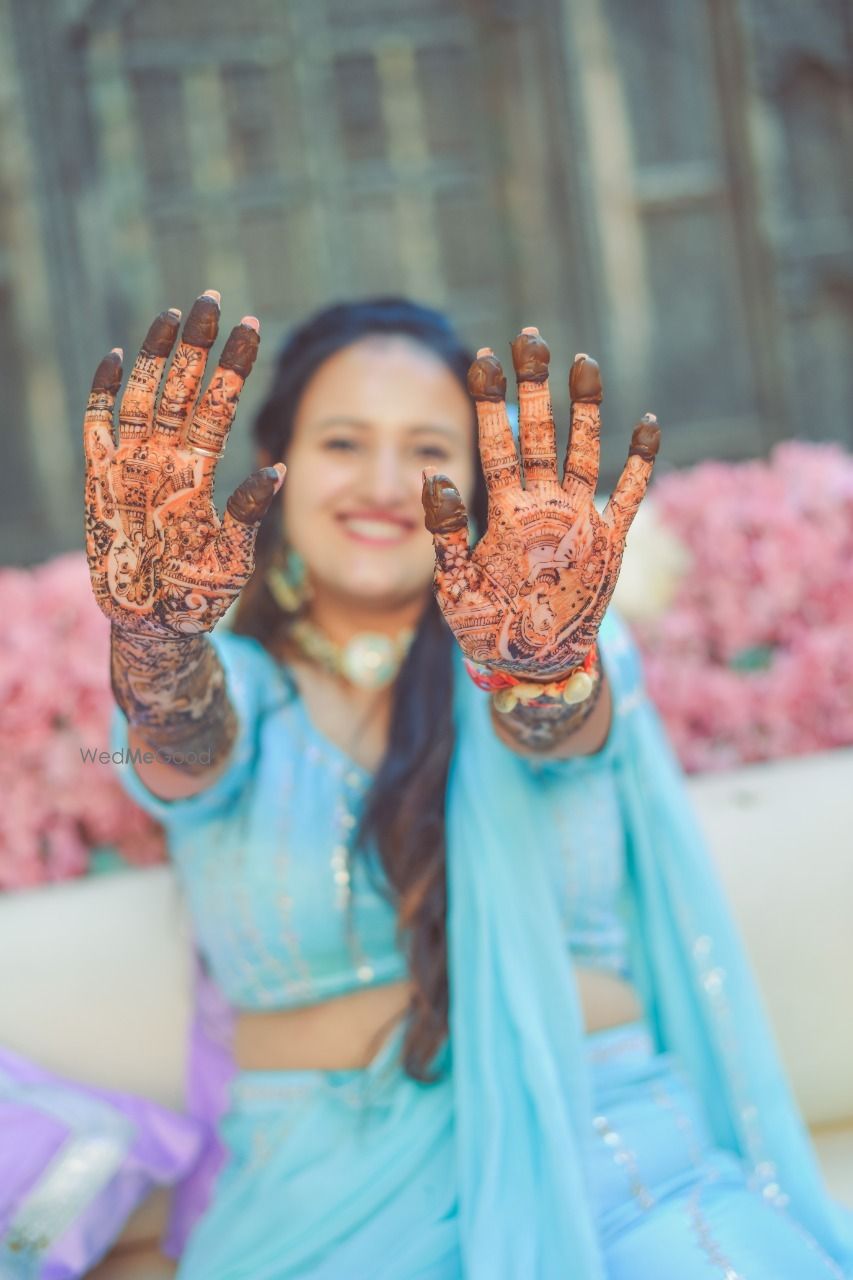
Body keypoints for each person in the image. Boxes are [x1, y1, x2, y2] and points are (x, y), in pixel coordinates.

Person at [83, 291, 853, 1278]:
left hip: (609, 1148)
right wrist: (156, 649)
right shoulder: (218, 683)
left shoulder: (556, 647)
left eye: (431, 451)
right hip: (327, 1198)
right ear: (272, 464)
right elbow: (185, 744)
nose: (385, 483)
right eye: (344, 443)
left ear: (481, 485)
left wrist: (534, 664)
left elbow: (559, 728)